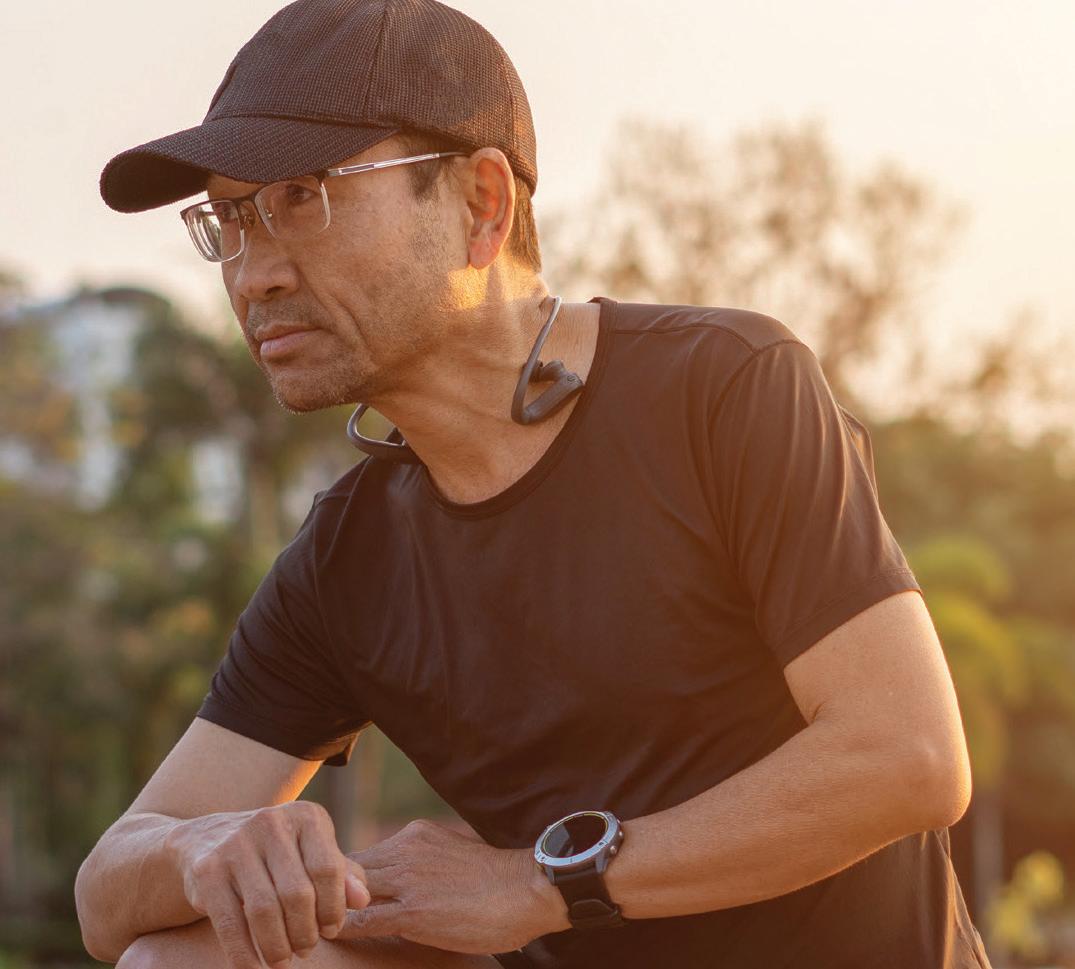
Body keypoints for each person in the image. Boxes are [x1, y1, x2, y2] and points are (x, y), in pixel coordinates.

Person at [77, 1, 994, 967]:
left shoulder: (723, 387)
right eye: (231, 220)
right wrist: (201, 848)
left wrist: (536, 886)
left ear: (481, 205)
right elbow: (108, 895)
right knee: (173, 960)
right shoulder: (345, 562)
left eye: (301, 198)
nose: (253, 274)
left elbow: (907, 757)